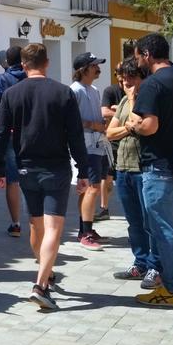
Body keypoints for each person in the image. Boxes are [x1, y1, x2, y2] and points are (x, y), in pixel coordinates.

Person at [0, 44, 89, 311]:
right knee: (54, 229)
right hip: (56, 168)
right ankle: (41, 285)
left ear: (23, 65)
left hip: (25, 168)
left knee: (36, 225)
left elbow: (1, 135)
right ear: (46, 63)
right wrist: (84, 170)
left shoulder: (11, 94)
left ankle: (44, 271)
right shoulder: (63, 93)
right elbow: (75, 135)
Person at [124, 33, 173, 308]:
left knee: (164, 229)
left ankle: (172, 289)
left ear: (146, 54)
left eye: (137, 56)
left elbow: (150, 126)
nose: (137, 62)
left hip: (159, 166)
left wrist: (133, 126)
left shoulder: (152, 85)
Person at [105, 60, 159, 288]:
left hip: (142, 167)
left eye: (131, 78)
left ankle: (155, 265)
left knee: (149, 221)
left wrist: (130, 118)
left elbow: (140, 122)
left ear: (142, 78)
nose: (126, 83)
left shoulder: (145, 100)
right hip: (123, 167)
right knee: (133, 221)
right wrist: (127, 128)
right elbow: (109, 133)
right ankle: (140, 262)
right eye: (123, 79)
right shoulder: (125, 101)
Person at [69, 52, 109, 250]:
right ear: (83, 69)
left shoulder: (93, 89)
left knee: (90, 189)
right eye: (94, 65)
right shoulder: (74, 91)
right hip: (86, 146)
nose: (97, 68)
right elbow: (70, 121)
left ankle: (84, 228)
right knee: (92, 188)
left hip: (98, 145)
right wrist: (94, 125)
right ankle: (85, 233)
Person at [0, 46, 27, 237]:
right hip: (32, 133)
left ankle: (16, 224)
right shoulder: (32, 78)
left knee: (13, 180)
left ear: (7, 62)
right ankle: (40, 220)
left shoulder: (1, 79)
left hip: (10, 133)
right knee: (34, 176)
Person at [98, 72, 125, 222]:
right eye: (121, 77)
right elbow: (104, 111)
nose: (124, 81)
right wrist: (122, 111)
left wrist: (116, 111)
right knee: (106, 176)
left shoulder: (138, 90)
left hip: (129, 140)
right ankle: (104, 208)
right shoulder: (110, 91)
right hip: (112, 142)